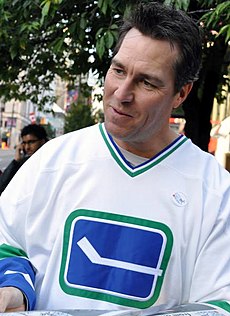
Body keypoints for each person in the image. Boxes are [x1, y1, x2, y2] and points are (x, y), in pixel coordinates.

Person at [0, 2, 229, 315]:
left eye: (147, 82)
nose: (122, 93)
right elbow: (8, 242)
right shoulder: (51, 162)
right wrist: (13, 288)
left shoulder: (216, 194)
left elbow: (219, 302)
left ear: (181, 94)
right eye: (118, 70)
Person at [0, 124, 48, 195]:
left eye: (31, 142)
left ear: (42, 141)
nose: (27, 147)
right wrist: (16, 161)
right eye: (24, 143)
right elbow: (2, 186)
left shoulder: (50, 161)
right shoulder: (23, 162)